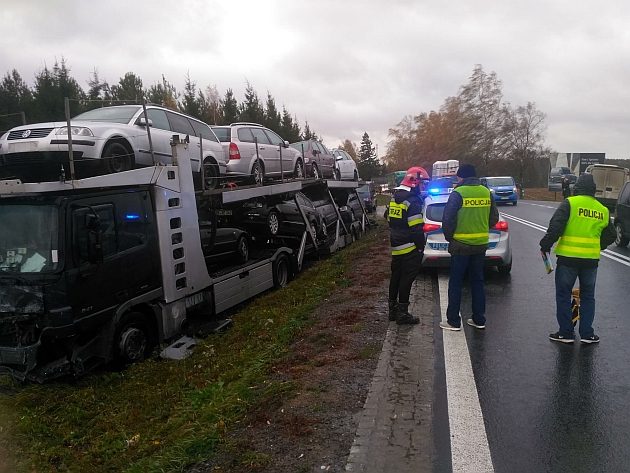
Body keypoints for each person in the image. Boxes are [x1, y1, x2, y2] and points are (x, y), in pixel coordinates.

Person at [539, 173, 615, 343]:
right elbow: (611, 234)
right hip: (591, 260)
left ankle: (566, 333)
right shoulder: (602, 209)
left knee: (564, 294)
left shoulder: (570, 203)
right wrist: (597, 245)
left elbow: (556, 226)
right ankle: (588, 334)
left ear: (577, 187)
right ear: (594, 189)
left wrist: (545, 244)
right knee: (588, 296)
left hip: (568, 258)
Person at [439, 164, 499, 331]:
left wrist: (450, 238)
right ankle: (479, 319)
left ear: (461, 177)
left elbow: (448, 219)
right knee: (478, 282)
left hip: (460, 245)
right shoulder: (486, 192)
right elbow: (494, 217)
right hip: (480, 245)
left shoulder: (458, 193)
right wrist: (480, 228)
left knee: (456, 282)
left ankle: (453, 321)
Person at [387, 166, 426, 324]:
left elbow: (389, 220)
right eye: (423, 184)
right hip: (410, 246)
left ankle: (392, 311)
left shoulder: (395, 197)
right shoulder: (413, 201)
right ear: (415, 182)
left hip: (396, 245)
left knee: (395, 277)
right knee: (406, 279)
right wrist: (420, 247)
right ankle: (402, 314)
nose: (424, 187)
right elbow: (416, 228)